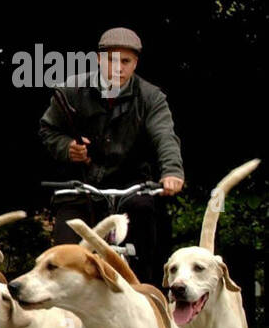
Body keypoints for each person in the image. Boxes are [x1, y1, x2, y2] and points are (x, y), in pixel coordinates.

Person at [38, 27, 184, 285]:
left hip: (131, 187)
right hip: (80, 187)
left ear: (135, 63)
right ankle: (61, 317)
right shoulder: (70, 91)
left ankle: (147, 299)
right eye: (111, 60)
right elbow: (49, 130)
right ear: (98, 59)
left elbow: (165, 135)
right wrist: (68, 148)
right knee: (62, 255)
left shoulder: (151, 97)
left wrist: (172, 171)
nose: (118, 67)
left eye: (125, 61)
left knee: (149, 233)